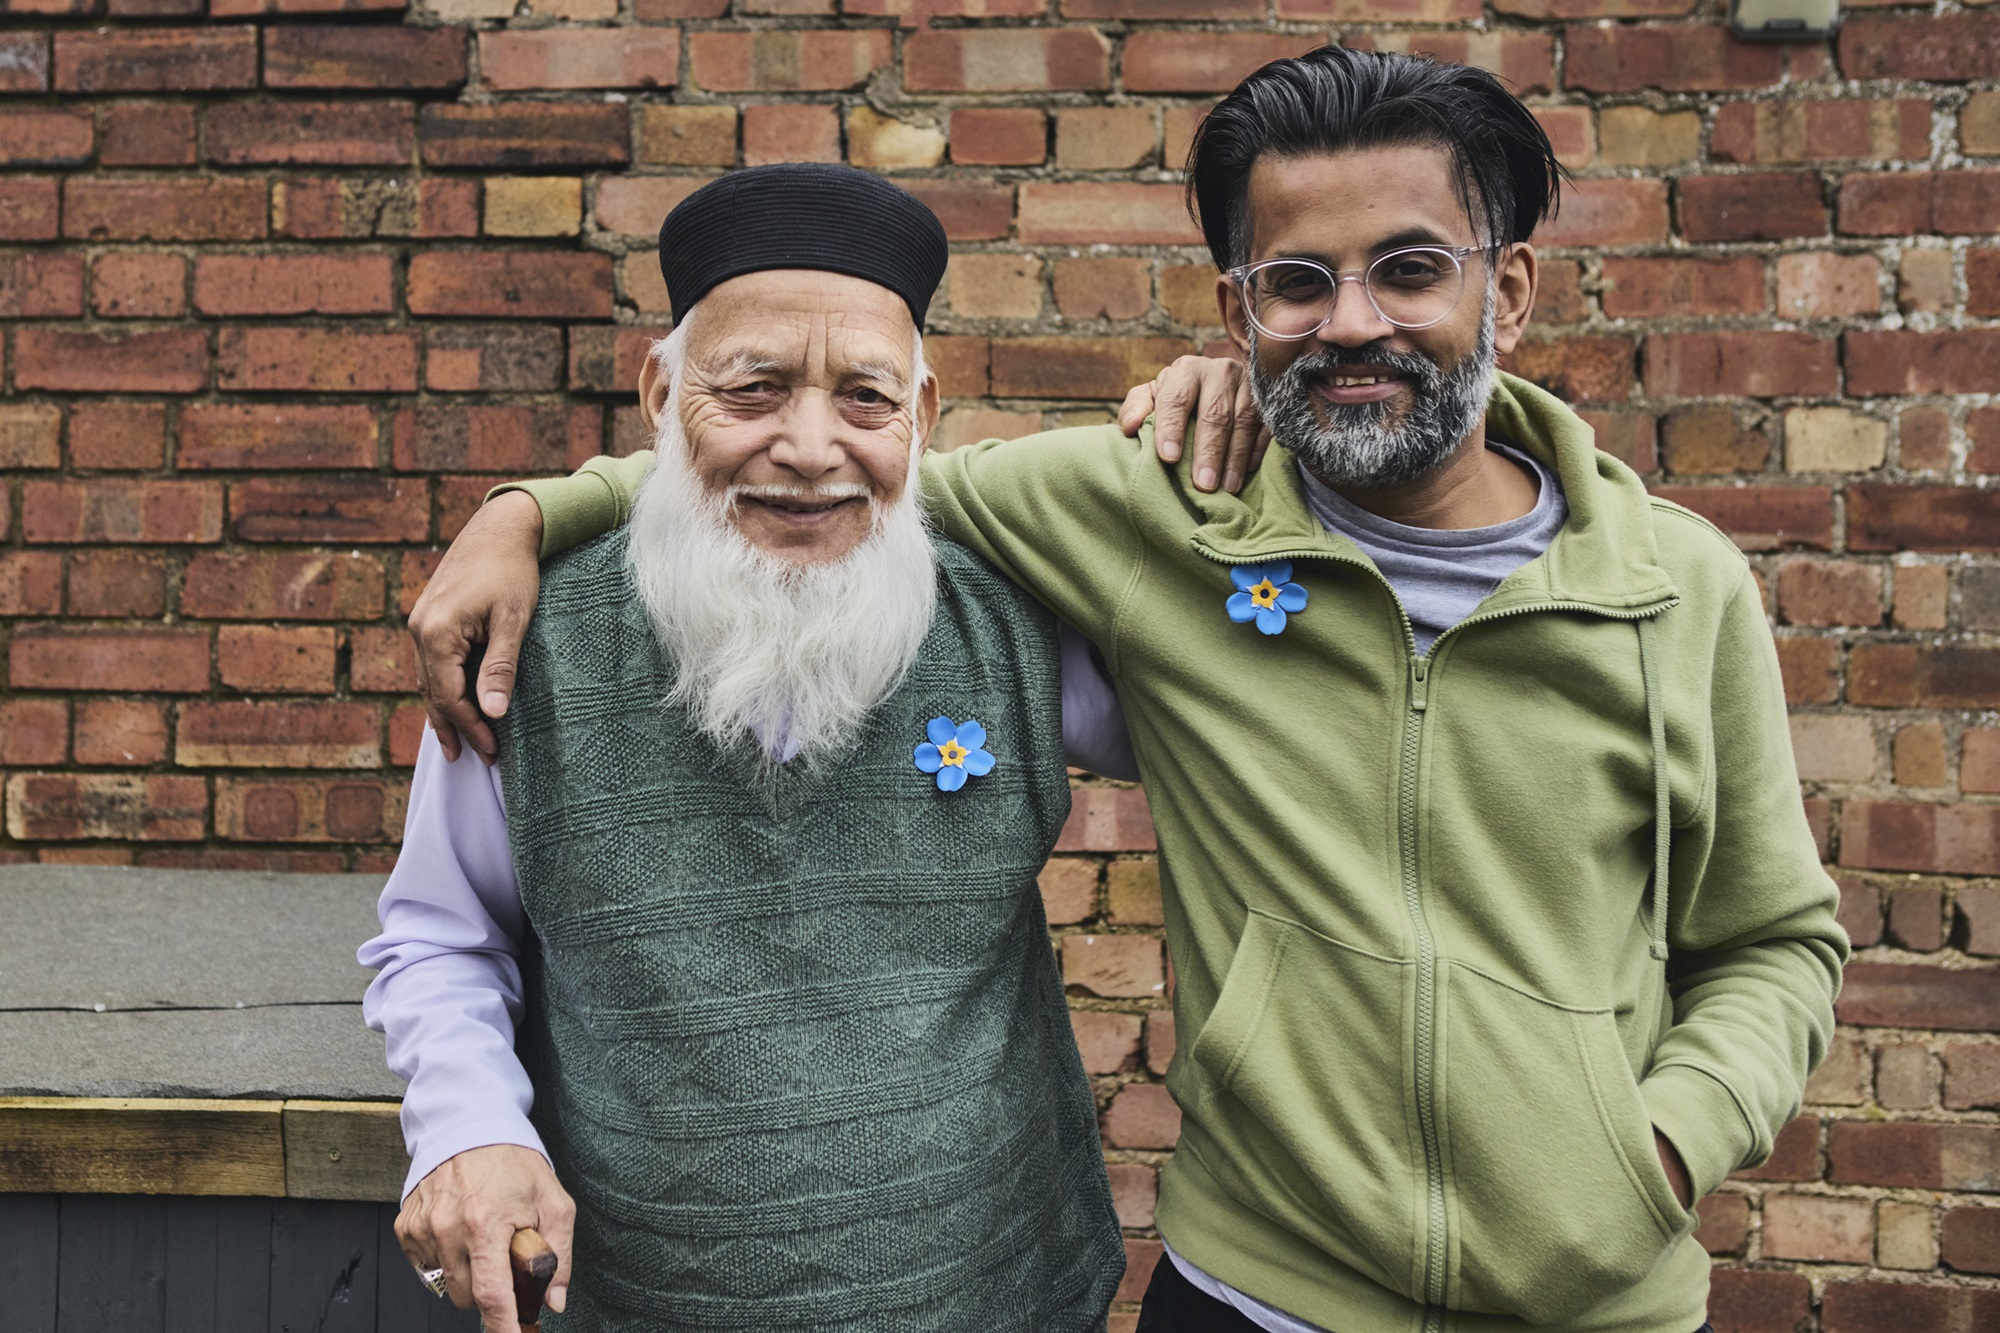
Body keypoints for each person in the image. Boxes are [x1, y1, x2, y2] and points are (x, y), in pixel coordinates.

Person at [412, 49, 1849, 1333]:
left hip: (1583, 1305)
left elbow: (1774, 939)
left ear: (1508, 288)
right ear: (1241, 311)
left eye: (1410, 269)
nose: (1351, 322)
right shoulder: (1147, 525)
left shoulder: (1679, 589)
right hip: (1252, 1291)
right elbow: (803, 500)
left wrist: (1651, 1150)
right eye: (1297, 283)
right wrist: (530, 510)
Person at [362, 163, 1196, 1332]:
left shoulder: (1018, 618)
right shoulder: (523, 642)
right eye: (752, 390)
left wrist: (1230, 417)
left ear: (925, 414)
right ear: (660, 394)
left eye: (864, 399)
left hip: (1001, 1297)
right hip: (644, 1305)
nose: (809, 447)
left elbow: (1251, 708)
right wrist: (470, 1126)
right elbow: (444, 937)